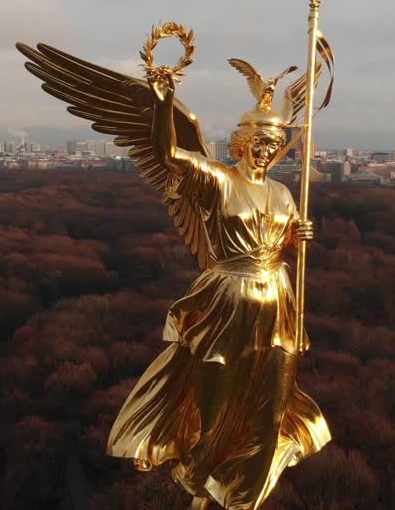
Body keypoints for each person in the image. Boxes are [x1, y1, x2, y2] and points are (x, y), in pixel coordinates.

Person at [106, 71, 331, 510]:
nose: (266, 152)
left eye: (273, 145)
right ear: (241, 145)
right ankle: (200, 480)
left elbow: (282, 244)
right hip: (227, 304)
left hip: (277, 303)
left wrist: (300, 234)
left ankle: (240, 500)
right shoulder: (216, 180)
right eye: (258, 144)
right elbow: (169, 153)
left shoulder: (284, 193)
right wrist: (163, 102)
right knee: (214, 416)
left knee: (272, 412)